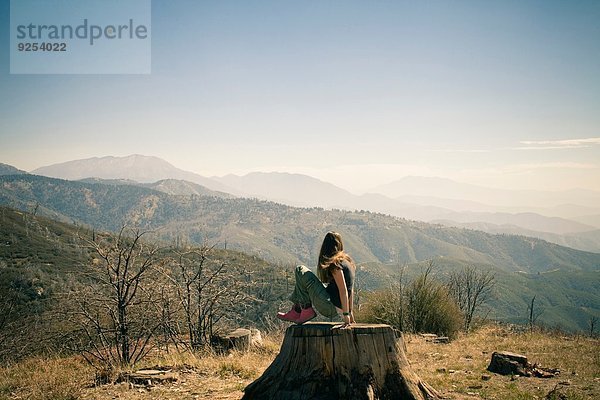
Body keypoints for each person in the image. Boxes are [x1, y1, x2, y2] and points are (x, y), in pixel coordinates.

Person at [277, 231, 356, 326]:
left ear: (326, 247)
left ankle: (304, 309)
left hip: (329, 306)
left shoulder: (336, 264)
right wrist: (350, 312)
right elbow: (351, 290)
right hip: (335, 307)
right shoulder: (348, 263)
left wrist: (346, 315)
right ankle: (297, 309)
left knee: (300, 270)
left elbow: (343, 291)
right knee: (304, 281)